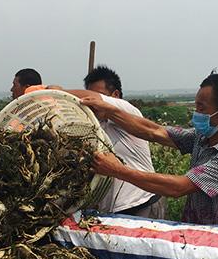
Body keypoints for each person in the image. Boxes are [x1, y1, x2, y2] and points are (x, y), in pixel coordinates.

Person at [81, 72, 218, 228]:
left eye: (201, 108)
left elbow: (178, 187)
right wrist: (111, 111)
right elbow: (155, 131)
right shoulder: (203, 138)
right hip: (195, 235)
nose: (196, 113)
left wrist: (117, 170)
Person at [61, 65, 164, 218]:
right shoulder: (93, 125)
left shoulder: (127, 111)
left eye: (97, 95)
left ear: (115, 95)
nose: (92, 103)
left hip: (141, 204)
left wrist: (53, 91)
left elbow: (89, 99)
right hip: (112, 211)